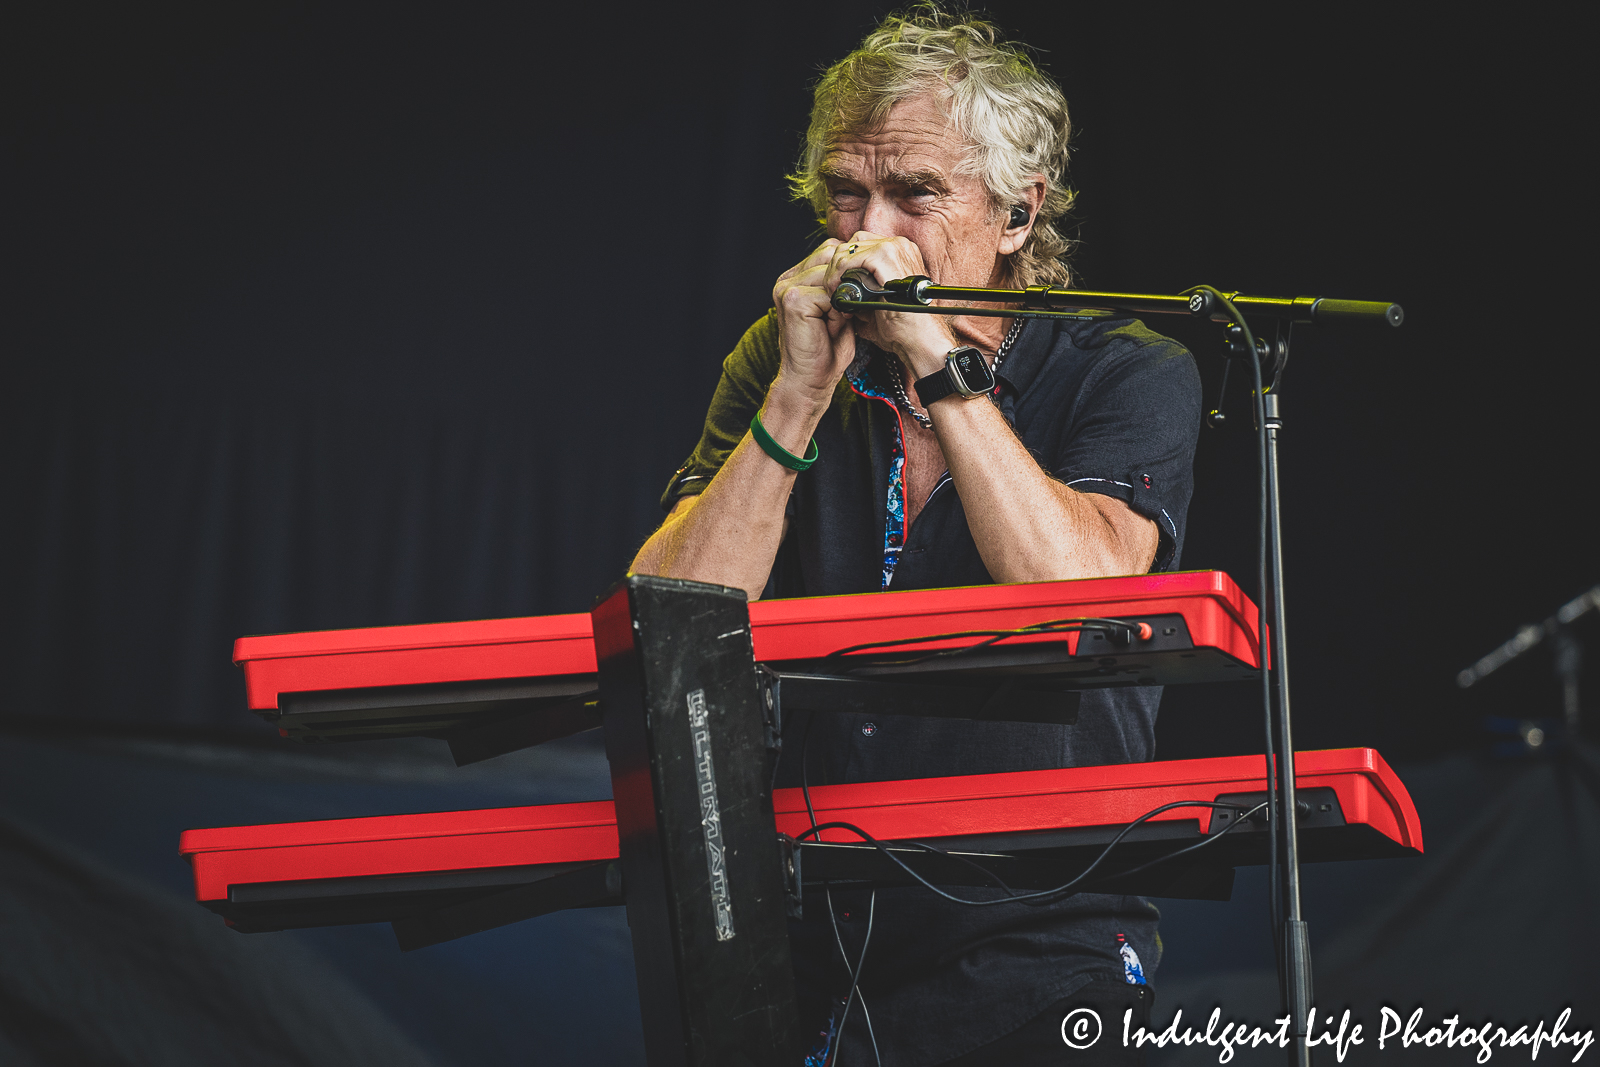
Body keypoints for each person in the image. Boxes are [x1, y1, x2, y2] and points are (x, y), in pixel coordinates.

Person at [632, 8, 1200, 1065]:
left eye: (915, 193)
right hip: (801, 939)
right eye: (846, 191)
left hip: (1040, 940)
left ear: (1019, 214)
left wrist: (939, 360)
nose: (867, 231)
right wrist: (799, 396)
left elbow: (1077, 583)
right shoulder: (779, 354)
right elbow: (666, 618)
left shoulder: (1130, 368)